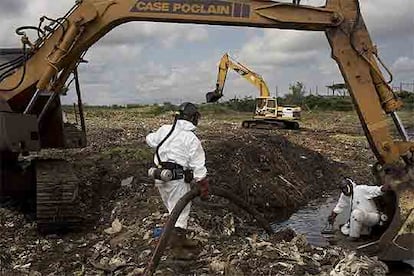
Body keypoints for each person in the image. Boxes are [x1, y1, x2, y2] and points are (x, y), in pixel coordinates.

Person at [146, 102, 209, 258]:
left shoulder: (165, 130)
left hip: (160, 177)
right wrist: (203, 184)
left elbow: (150, 139)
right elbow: (198, 166)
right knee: (181, 211)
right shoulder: (191, 138)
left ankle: (180, 239)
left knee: (172, 209)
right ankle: (176, 249)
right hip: (177, 179)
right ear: (194, 118)